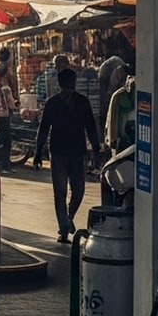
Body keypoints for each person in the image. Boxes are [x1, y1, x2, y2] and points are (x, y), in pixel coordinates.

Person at [34, 68, 103, 242]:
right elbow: (43, 129)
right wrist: (37, 152)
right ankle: (63, 229)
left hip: (76, 153)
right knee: (62, 192)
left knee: (76, 191)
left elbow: (90, 128)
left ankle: (68, 217)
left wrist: (96, 150)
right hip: (59, 153)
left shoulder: (82, 102)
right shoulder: (53, 103)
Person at [0, 55, 19, 172]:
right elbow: (10, 103)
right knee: (6, 141)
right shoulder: (4, 88)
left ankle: (1, 164)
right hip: (3, 115)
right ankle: (4, 164)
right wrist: (15, 104)